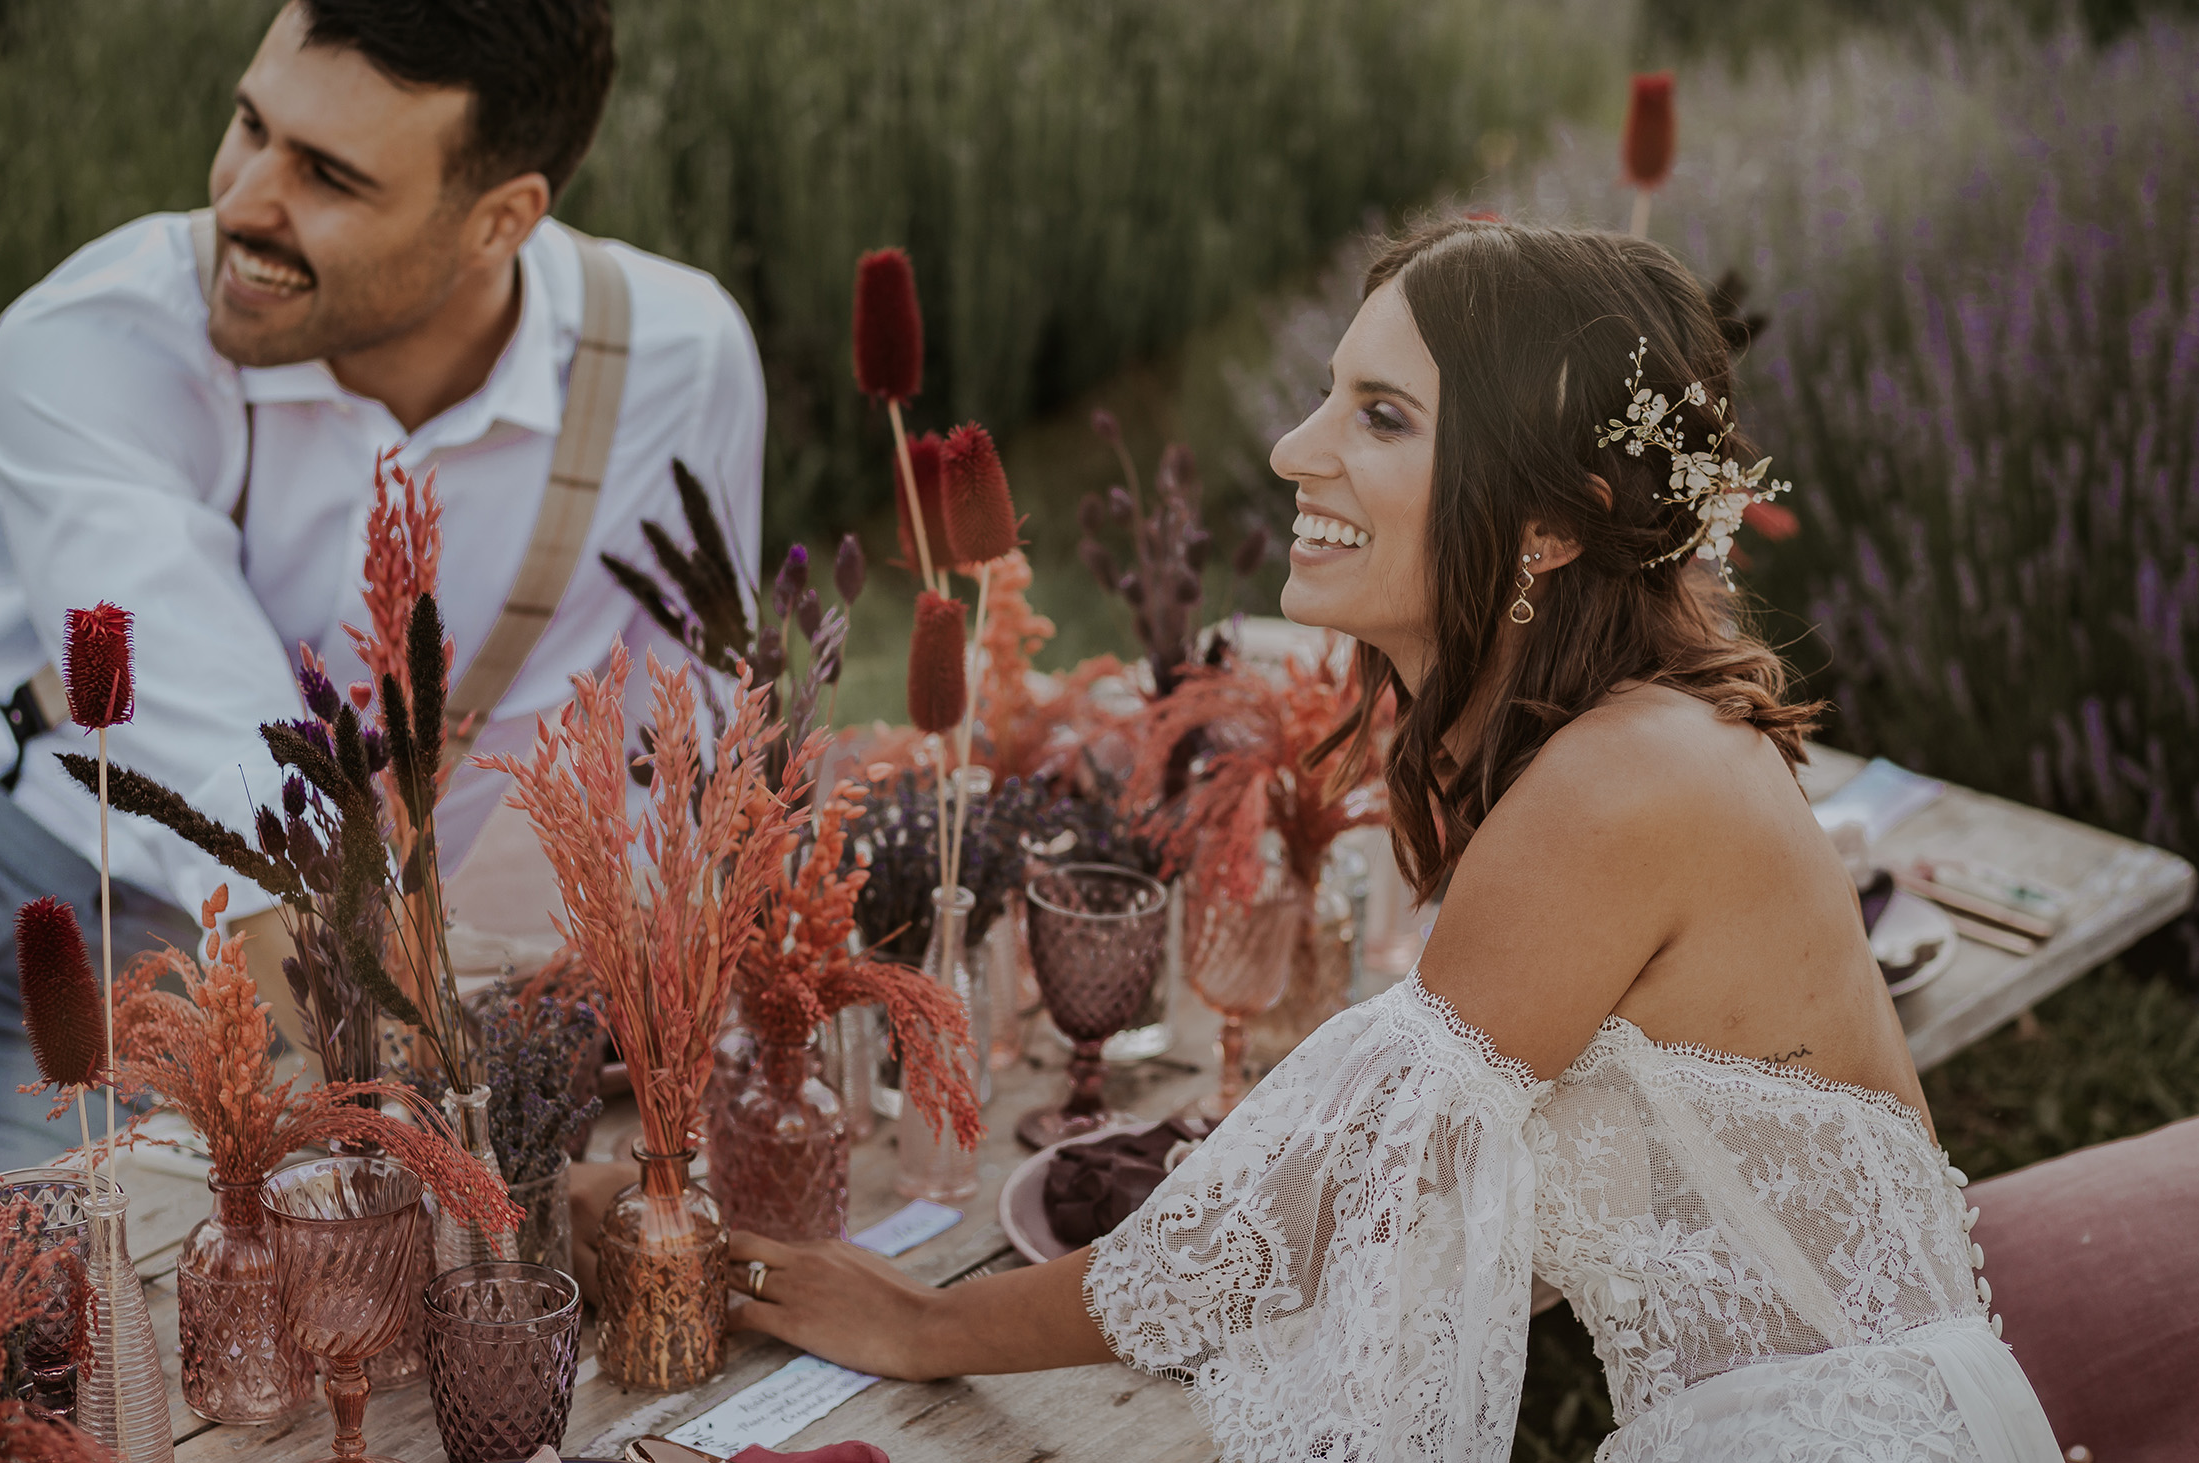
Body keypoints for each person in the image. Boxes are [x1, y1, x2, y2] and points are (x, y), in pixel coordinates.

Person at [722, 221, 2063, 1460]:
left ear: (1551, 521)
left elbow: (1318, 1212)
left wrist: (920, 1325)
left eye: (1379, 416)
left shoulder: (1618, 786)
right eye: (1329, 394)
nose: (1292, 450)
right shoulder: (1609, 740)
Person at [0, 0, 761, 1185]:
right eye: (251, 127)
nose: (243, 202)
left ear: (501, 217)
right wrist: (457, 1129)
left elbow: (693, 749)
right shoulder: (101, 331)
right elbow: (219, 749)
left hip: (160, 986)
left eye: (328, 176)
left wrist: (644, 1078)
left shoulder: (668, 364)